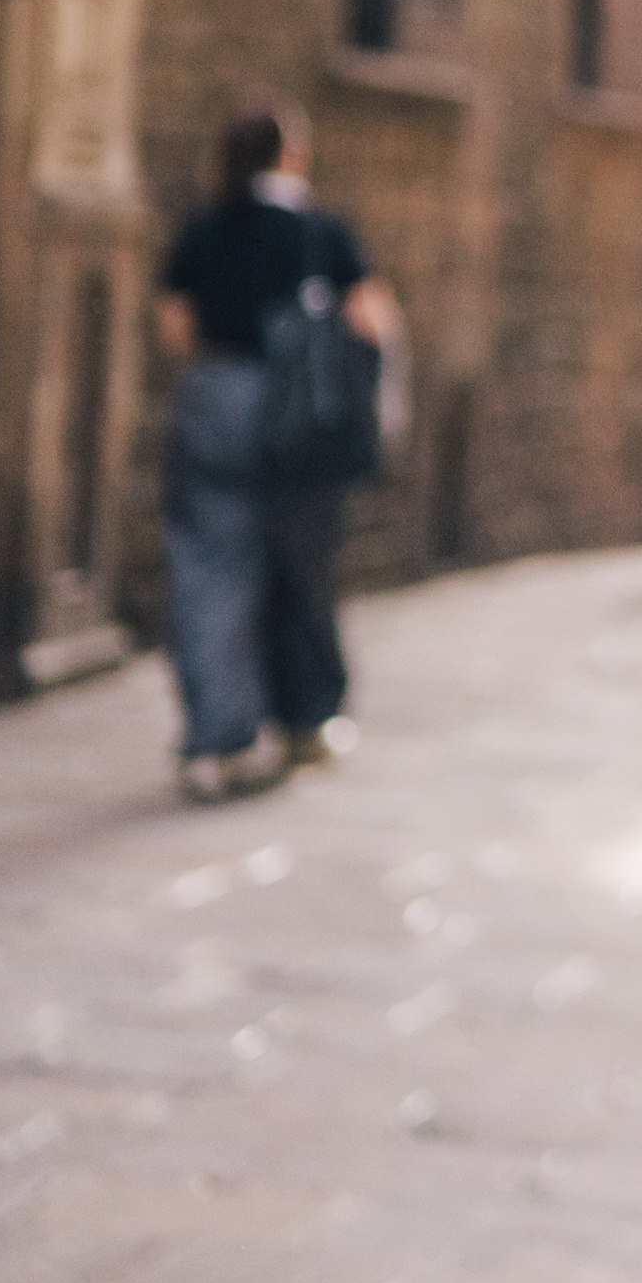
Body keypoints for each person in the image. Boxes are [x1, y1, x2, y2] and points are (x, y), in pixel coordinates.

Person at [155, 102, 397, 803]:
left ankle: (215, 739)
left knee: (209, 568)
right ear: (290, 153)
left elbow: (177, 328)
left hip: (216, 402)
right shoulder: (321, 233)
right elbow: (370, 321)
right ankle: (305, 720)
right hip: (303, 415)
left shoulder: (204, 227)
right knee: (303, 566)